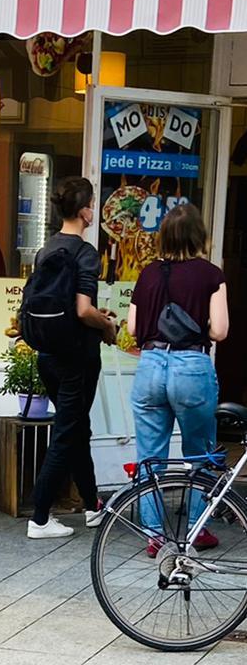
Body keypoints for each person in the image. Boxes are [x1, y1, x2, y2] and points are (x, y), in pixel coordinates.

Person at [129, 203, 228, 555]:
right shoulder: (210, 275)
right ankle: (198, 530)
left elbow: (131, 328)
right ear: (199, 235)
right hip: (191, 367)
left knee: (150, 457)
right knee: (199, 453)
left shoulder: (148, 274)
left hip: (151, 365)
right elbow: (219, 330)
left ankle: (155, 535)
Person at [27, 177, 117, 540]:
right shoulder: (85, 253)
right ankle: (40, 517)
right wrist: (107, 326)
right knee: (67, 433)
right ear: (84, 211)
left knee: (77, 428)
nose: (94, 210)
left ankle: (93, 505)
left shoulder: (46, 249)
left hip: (48, 353)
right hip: (77, 356)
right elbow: (83, 309)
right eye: (92, 203)